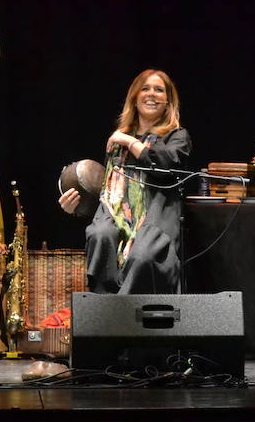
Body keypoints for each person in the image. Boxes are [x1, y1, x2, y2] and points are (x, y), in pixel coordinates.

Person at [58, 69, 192, 294]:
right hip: (120, 225)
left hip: (155, 223)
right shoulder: (118, 143)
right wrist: (75, 209)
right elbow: (111, 198)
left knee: (143, 255)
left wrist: (130, 142)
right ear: (135, 97)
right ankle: (106, 314)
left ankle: (128, 316)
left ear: (168, 101)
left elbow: (167, 166)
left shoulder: (177, 137)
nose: (152, 94)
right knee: (99, 235)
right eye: (145, 88)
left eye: (159, 90)